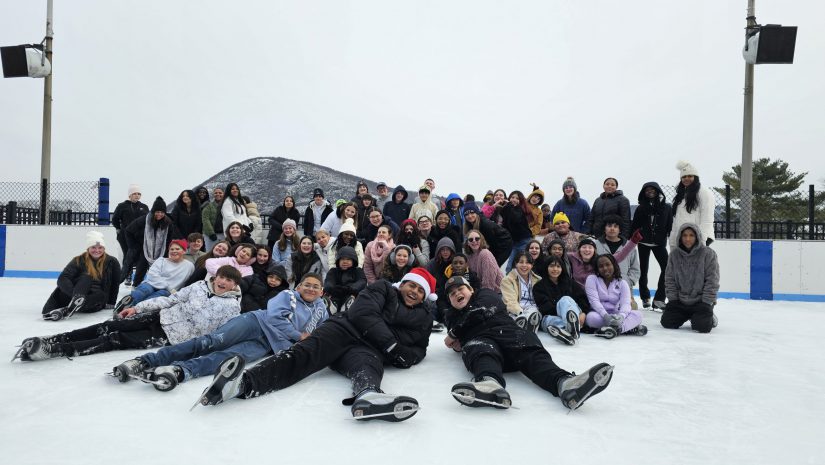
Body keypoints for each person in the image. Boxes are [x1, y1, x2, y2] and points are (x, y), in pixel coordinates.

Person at [197, 268, 438, 423]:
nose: (414, 292)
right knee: (303, 354)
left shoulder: (425, 317)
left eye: (420, 290)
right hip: (344, 329)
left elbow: (419, 349)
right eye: (412, 285)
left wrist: (401, 355)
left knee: (368, 367)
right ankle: (241, 384)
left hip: (368, 349)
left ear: (425, 296)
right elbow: (364, 313)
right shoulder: (384, 287)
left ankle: (368, 395)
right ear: (402, 284)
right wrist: (393, 346)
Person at [114, 273, 327, 387]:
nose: (310, 289)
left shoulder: (321, 310)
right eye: (306, 284)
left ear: (322, 291)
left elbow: (321, 334)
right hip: (255, 323)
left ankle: (182, 370)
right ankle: (146, 361)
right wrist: (298, 336)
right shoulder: (287, 296)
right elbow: (274, 317)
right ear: (298, 287)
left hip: (268, 345)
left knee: (227, 358)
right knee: (211, 342)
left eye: (315, 286)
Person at [442, 276, 614, 410]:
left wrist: (455, 332)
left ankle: (565, 384)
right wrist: (457, 337)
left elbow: (479, 312)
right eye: (451, 293)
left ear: (471, 289)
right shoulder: (450, 314)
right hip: (483, 343)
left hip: (508, 334)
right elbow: (457, 343)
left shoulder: (485, 293)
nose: (457, 294)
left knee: (529, 350)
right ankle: (490, 385)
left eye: (460, 288)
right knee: (478, 348)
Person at [18, 265, 242, 362]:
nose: (223, 282)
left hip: (170, 337)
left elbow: (221, 332)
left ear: (234, 286)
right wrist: (137, 307)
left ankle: (56, 350)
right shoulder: (198, 287)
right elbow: (168, 299)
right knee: (110, 325)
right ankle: (56, 339)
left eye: (229, 280)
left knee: (115, 340)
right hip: (161, 317)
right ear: (216, 276)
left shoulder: (233, 307)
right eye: (222, 277)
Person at [41, 231, 122, 321]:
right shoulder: (79, 260)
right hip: (75, 293)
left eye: (100, 247)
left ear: (104, 248)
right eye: (93, 247)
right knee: (86, 277)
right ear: (88, 248)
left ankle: (76, 305)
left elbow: (115, 283)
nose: (97, 250)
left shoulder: (112, 262)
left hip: (94, 301)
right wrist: (75, 297)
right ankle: (76, 302)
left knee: (101, 295)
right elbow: (63, 278)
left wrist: (111, 302)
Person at [661, 223, 720, 333]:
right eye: (684, 235)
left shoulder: (708, 254)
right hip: (680, 301)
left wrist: (707, 302)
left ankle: (708, 315)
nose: (687, 239)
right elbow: (670, 279)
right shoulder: (674, 255)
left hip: (701, 301)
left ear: (697, 236)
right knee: (667, 322)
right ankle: (690, 315)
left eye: (691, 235)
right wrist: (673, 300)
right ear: (680, 237)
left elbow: (712, 281)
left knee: (702, 327)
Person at [113, 239, 195, 313]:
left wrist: (174, 292)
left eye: (177, 249)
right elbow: (153, 275)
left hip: (168, 291)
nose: (174, 251)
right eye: (172, 249)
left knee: (159, 295)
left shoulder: (189, 266)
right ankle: (122, 307)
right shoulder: (161, 261)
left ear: (184, 251)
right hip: (152, 284)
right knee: (144, 290)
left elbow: (187, 282)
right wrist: (167, 285)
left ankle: (136, 311)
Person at [584, 254, 647, 338]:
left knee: (638, 315)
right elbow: (593, 301)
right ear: (597, 269)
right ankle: (626, 328)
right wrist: (605, 315)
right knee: (590, 318)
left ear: (613, 265)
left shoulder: (622, 283)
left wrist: (621, 316)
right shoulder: (592, 279)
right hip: (600, 315)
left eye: (607, 264)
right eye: (601, 266)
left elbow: (626, 303)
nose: (605, 268)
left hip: (617, 315)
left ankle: (616, 330)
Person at [124, 196, 182, 286]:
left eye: (162, 212)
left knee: (160, 272)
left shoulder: (168, 223)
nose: (159, 214)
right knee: (141, 269)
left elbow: (169, 239)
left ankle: (158, 287)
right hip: (146, 249)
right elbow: (128, 230)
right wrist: (134, 246)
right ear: (153, 211)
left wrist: (167, 251)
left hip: (161, 251)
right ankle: (135, 287)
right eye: (157, 212)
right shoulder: (145, 219)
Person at [632, 182, 673, 309]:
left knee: (667, 268)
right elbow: (635, 225)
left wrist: (667, 237)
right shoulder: (640, 208)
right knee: (643, 270)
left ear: (658, 191)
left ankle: (659, 299)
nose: (650, 192)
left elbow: (670, 225)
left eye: (652, 189)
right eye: (647, 190)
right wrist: (634, 238)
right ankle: (645, 297)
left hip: (659, 243)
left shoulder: (666, 207)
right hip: (643, 242)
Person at [534, 256, 590, 345]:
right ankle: (571, 330)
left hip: (574, 313)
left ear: (562, 268)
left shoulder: (570, 283)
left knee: (565, 299)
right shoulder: (539, 286)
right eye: (552, 266)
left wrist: (584, 313)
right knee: (547, 321)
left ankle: (567, 330)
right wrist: (562, 312)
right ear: (546, 268)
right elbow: (544, 307)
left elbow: (582, 299)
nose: (555, 269)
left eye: (558, 266)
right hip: (551, 316)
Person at [594, 215, 641, 308]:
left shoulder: (629, 246)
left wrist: (628, 281)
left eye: (615, 226)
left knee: (631, 309)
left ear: (620, 229)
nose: (612, 229)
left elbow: (635, 268)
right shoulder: (596, 244)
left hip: (624, 287)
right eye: (609, 226)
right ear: (604, 228)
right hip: (602, 288)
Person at [671, 161, 716, 249]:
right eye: (684, 176)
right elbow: (676, 221)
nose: (686, 178)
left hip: (699, 237)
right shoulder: (681, 195)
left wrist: (701, 240)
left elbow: (707, 219)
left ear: (696, 177)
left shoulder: (705, 193)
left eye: (690, 176)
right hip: (684, 237)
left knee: (695, 262)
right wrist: (673, 241)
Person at [112, 184, 148, 284]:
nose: (137, 195)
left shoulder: (144, 207)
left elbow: (148, 220)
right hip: (125, 236)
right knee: (127, 255)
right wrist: (119, 229)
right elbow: (115, 219)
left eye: (139, 194)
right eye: (134, 193)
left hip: (139, 236)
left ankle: (139, 276)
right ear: (130, 195)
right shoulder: (122, 206)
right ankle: (127, 275)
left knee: (141, 256)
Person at [500, 251, 542, 332]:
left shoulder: (538, 280)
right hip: (516, 310)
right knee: (517, 317)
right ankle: (522, 324)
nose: (524, 265)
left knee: (533, 313)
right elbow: (510, 301)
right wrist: (520, 313)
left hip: (533, 310)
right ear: (516, 264)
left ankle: (529, 327)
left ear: (532, 265)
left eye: (527, 263)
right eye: (521, 262)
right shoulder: (508, 280)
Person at [462, 201, 512, 267]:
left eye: (472, 213)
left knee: (492, 267)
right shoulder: (469, 225)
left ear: (477, 213)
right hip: (492, 245)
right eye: (467, 214)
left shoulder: (485, 225)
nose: (470, 216)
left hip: (503, 245)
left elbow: (492, 244)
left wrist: (491, 260)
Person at [324, 246, 367, 313]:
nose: (345, 262)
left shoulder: (358, 271)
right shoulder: (333, 271)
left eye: (348, 259)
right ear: (338, 261)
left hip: (351, 294)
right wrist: (333, 288)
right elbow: (329, 282)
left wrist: (350, 288)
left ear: (353, 261)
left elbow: (362, 281)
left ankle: (348, 306)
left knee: (352, 297)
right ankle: (331, 306)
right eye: (342, 259)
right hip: (336, 294)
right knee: (332, 296)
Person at [499, 190, 534, 272]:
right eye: (512, 197)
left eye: (517, 198)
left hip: (524, 241)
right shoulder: (507, 209)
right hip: (513, 242)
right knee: (509, 267)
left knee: (522, 265)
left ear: (520, 201)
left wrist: (510, 205)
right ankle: (510, 284)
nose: (514, 199)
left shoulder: (520, 210)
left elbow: (516, 218)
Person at [201, 187, 225, 251]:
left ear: (224, 194)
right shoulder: (208, 206)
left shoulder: (227, 205)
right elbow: (205, 219)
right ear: (213, 194)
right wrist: (211, 233)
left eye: (220, 193)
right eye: (216, 193)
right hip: (211, 234)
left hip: (224, 233)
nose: (218, 194)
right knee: (210, 252)